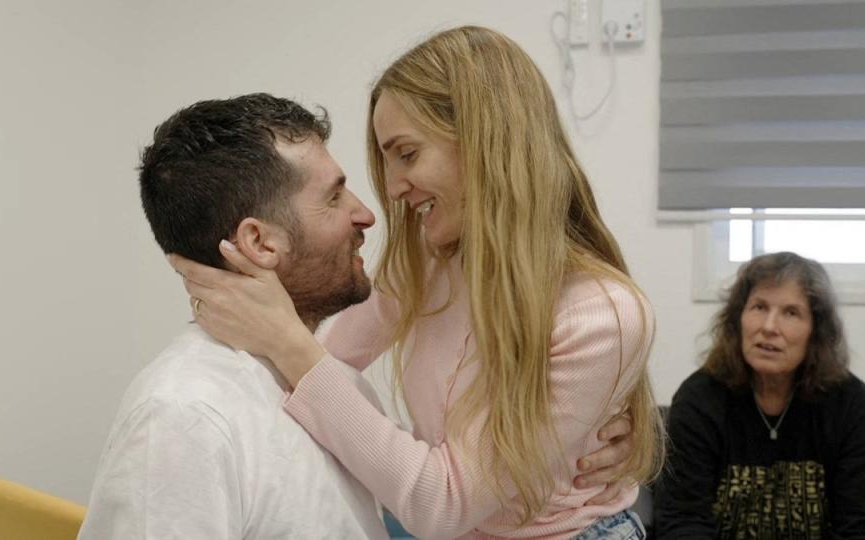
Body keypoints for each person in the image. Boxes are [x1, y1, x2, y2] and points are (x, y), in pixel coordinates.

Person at [170, 26, 663, 539]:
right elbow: (320, 367)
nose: (390, 188)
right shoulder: (425, 264)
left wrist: (283, 336)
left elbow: (441, 505)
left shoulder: (601, 316)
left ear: (487, 141)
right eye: (385, 160)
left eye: (406, 154)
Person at [78, 93, 391, 539]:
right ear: (259, 243)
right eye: (334, 197)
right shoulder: (185, 415)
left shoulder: (337, 390)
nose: (365, 214)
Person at [655, 252, 865, 538]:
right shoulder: (699, 400)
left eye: (791, 312)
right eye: (759, 307)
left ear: (816, 331)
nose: (769, 327)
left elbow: (863, 527)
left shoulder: (854, 407)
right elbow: (682, 520)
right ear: (738, 318)